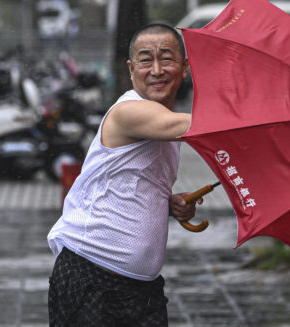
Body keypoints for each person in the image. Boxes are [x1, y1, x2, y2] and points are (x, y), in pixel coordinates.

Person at [47, 23, 200, 326]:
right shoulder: (128, 111)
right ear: (132, 70)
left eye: (167, 59)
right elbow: (188, 126)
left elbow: (135, 181)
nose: (156, 70)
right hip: (91, 280)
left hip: (143, 290)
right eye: (146, 60)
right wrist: (261, 116)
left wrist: (168, 204)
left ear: (184, 68)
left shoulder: (164, 119)